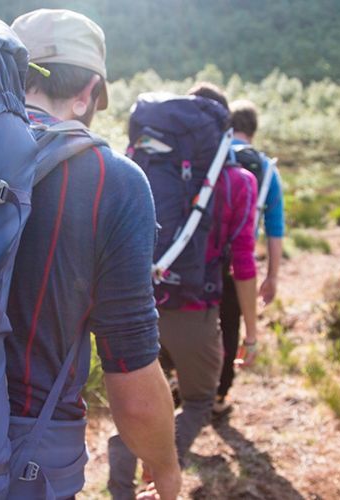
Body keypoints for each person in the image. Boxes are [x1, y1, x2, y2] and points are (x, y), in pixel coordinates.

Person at [6, 9, 181, 500]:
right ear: (87, 92)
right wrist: (164, 468)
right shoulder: (112, 180)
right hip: (21, 460)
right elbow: (131, 377)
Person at [110, 82, 258, 497]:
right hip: (195, 310)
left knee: (137, 403)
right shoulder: (239, 182)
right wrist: (252, 331)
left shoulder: (139, 166)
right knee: (197, 399)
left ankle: (122, 485)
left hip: (135, 306)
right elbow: (243, 265)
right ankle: (162, 474)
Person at [213, 98, 285, 417]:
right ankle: (218, 394)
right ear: (253, 130)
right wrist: (272, 276)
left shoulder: (214, 158)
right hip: (237, 262)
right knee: (230, 324)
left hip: (201, 257)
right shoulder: (265, 168)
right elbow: (275, 227)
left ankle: (184, 383)